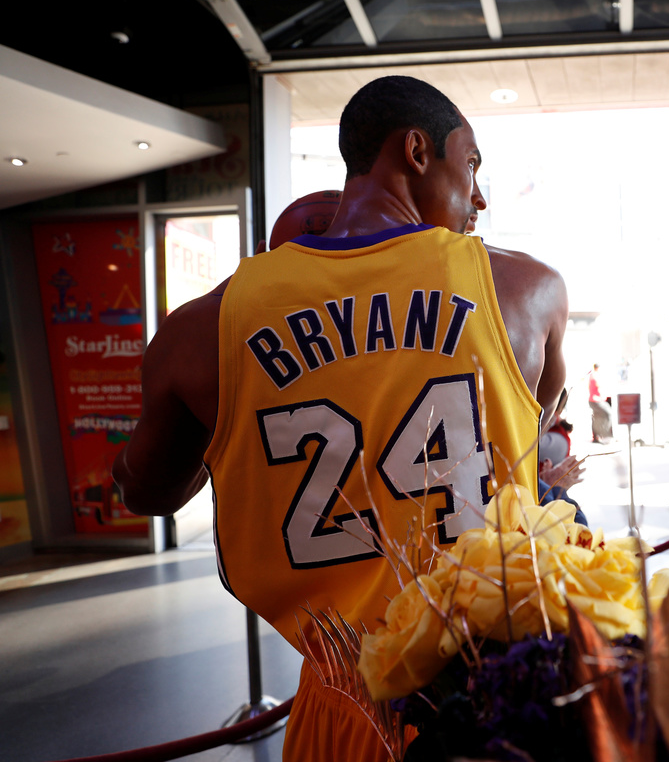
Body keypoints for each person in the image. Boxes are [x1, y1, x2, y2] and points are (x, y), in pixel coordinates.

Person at [111, 76, 569, 762]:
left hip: (340, 697)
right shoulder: (529, 290)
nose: (480, 196)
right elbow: (538, 423)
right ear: (417, 151)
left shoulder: (201, 327)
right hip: (496, 696)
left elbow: (147, 490)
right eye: (471, 165)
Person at [588, 363, 614, 443]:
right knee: (608, 414)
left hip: (594, 400)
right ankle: (606, 435)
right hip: (596, 400)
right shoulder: (595, 375)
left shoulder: (592, 375)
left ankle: (596, 436)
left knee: (596, 417)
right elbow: (599, 385)